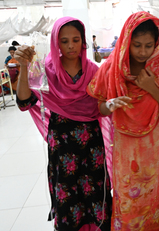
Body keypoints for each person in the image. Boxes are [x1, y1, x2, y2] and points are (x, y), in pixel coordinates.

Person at [87, 11, 159, 231]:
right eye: (137, 45)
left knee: (152, 199)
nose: (142, 52)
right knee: (129, 202)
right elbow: (99, 108)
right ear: (126, 42)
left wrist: (151, 87)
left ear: (157, 43)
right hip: (127, 149)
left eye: (148, 46)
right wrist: (110, 105)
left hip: (154, 148)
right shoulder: (111, 70)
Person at [14, 17, 112, 231]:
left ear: (83, 42)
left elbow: (102, 106)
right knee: (67, 193)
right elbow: (24, 101)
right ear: (56, 43)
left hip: (91, 143)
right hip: (62, 144)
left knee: (95, 191)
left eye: (76, 40)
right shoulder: (46, 71)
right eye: (64, 40)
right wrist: (23, 67)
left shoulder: (94, 72)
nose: (70, 46)